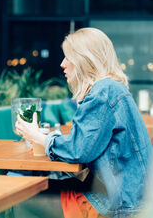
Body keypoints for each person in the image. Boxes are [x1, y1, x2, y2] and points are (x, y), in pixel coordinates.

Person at [16, 27, 151, 218]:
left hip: (116, 204)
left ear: (85, 60)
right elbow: (85, 147)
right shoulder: (111, 89)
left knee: (18, 197)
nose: (62, 64)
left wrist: (38, 136)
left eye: (68, 57)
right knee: (26, 188)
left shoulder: (103, 91)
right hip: (128, 199)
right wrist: (45, 139)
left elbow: (78, 151)